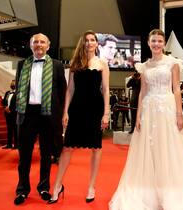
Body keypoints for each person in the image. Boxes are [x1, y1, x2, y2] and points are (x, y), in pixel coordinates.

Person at [109, 29, 183, 210]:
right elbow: (143, 92)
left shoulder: (173, 63)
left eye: (159, 41)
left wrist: (179, 114)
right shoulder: (144, 66)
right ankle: (150, 190)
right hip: (148, 110)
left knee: (169, 148)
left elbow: (176, 89)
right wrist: (137, 115)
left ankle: (170, 190)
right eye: (153, 41)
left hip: (168, 109)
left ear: (163, 43)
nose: (156, 44)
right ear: (148, 42)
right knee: (150, 150)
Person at [48, 30, 110, 204]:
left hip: (95, 109)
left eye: (92, 40)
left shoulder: (103, 63)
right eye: (86, 40)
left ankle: (92, 186)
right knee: (67, 147)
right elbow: (70, 90)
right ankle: (57, 186)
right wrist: (65, 111)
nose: (89, 43)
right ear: (82, 43)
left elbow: (105, 90)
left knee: (96, 149)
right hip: (77, 109)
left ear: (97, 43)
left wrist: (106, 113)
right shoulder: (75, 62)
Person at [13, 33, 67, 205]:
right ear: (31, 46)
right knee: (24, 155)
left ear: (48, 46)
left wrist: (62, 114)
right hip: (27, 113)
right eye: (35, 42)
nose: (38, 44)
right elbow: (19, 89)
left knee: (46, 154)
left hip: (48, 115)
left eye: (42, 42)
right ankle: (22, 189)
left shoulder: (57, 65)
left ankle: (43, 187)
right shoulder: (22, 64)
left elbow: (63, 92)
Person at [1, 80, 17, 149]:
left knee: (15, 130)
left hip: (14, 114)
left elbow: (18, 104)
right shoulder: (7, 93)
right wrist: (5, 107)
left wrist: (11, 110)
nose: (12, 84)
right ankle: (9, 144)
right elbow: (3, 101)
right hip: (7, 114)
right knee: (9, 129)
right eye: (11, 83)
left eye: (13, 83)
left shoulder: (18, 93)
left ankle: (17, 145)